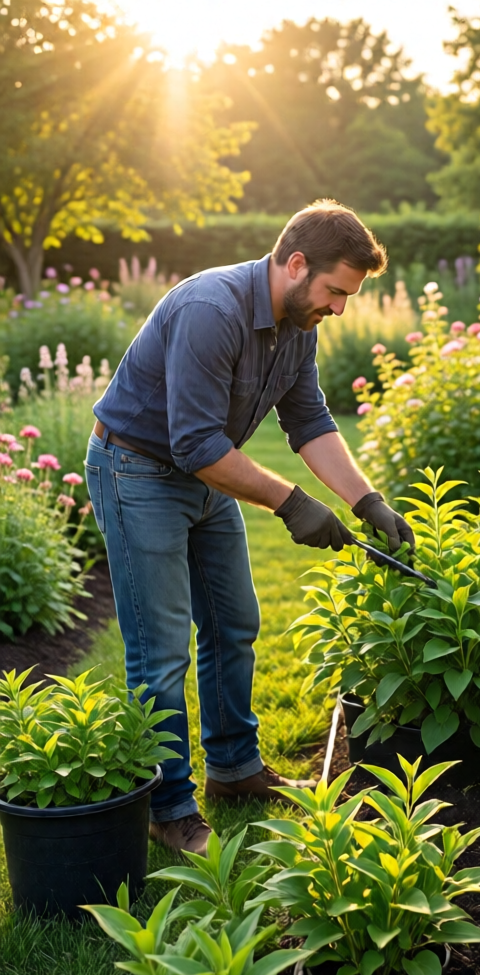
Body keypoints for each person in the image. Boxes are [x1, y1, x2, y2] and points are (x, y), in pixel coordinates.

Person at [85, 199, 414, 856]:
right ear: (296, 264)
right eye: (335, 291)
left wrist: (366, 501)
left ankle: (234, 771)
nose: (340, 308)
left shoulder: (298, 324)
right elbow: (195, 443)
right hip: (137, 470)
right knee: (161, 652)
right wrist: (291, 503)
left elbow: (312, 423)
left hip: (205, 473)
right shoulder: (212, 309)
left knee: (234, 623)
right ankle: (169, 807)